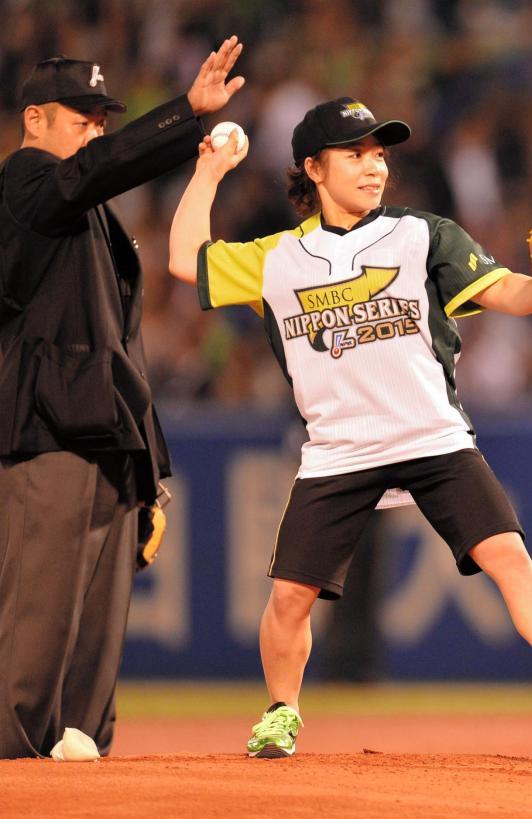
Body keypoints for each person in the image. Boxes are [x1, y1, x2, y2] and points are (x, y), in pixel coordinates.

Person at [168, 96, 532, 758]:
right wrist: (210, 174)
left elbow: (506, 291)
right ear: (313, 167)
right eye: (354, 153)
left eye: (380, 153)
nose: (374, 166)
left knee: (508, 554)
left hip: (431, 435)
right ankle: (281, 710)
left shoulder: (423, 235)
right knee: (290, 597)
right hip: (338, 449)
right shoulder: (276, 259)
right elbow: (187, 260)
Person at [0, 38, 245, 759]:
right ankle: (13, 762)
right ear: (35, 118)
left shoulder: (90, 214)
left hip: (109, 433)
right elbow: (90, 175)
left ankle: (81, 758)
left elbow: (119, 349)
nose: (95, 127)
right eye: (81, 115)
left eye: (102, 116)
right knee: (40, 614)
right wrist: (187, 115)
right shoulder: (26, 185)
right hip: (49, 428)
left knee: (97, 626)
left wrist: (150, 468)